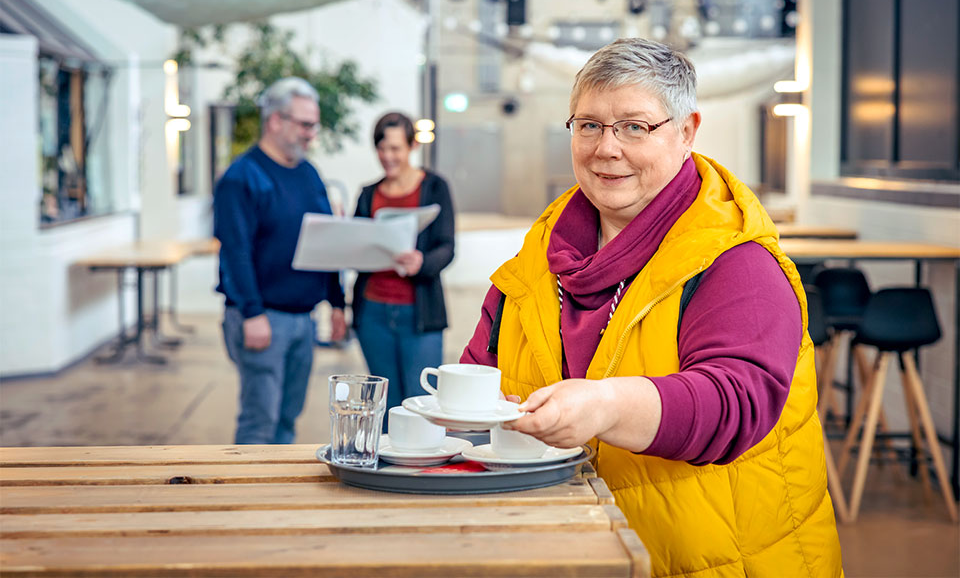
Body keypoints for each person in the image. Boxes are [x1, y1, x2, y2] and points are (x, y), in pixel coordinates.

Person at [461, 39, 843, 576]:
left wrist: (607, 406)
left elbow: (738, 403)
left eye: (634, 126)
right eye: (588, 125)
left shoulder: (736, 261)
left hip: (716, 561)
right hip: (562, 552)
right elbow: (476, 381)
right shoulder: (536, 263)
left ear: (686, 132)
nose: (606, 148)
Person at [214, 77, 347, 445]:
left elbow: (327, 239)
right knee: (261, 420)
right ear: (275, 121)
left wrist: (337, 302)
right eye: (305, 125)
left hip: (303, 319)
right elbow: (234, 251)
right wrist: (253, 313)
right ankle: (249, 501)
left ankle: (277, 499)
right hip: (262, 317)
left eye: (313, 125)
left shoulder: (308, 173)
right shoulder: (242, 178)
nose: (311, 134)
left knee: (289, 418)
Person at [352, 112, 455, 413]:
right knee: (383, 406)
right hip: (372, 313)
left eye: (395, 148)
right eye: (382, 149)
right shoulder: (368, 194)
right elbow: (355, 247)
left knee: (421, 406)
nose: (387, 156)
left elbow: (447, 247)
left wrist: (421, 261)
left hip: (420, 314)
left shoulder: (434, 187)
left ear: (411, 146)